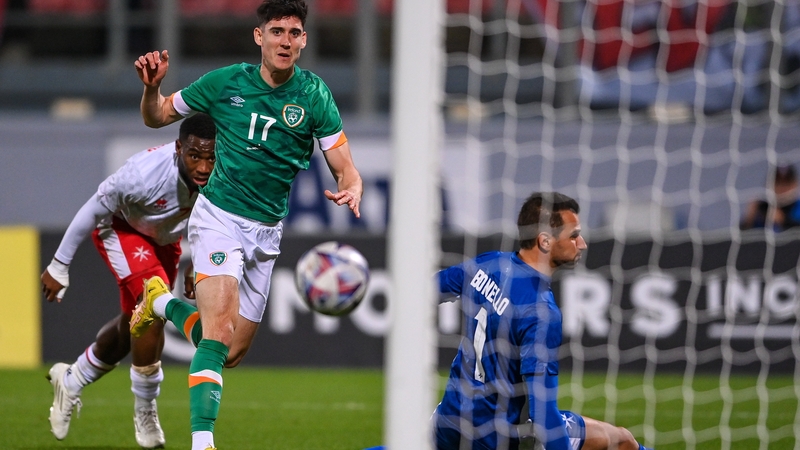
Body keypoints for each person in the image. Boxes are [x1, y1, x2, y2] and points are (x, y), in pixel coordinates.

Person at [129, 1, 363, 449]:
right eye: (276, 31)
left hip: (267, 231)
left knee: (229, 352)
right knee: (217, 333)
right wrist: (151, 89)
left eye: (294, 33)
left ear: (304, 41)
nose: (285, 41)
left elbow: (345, 168)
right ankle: (202, 442)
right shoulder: (224, 83)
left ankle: (159, 303)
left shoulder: (314, 96)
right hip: (219, 217)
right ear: (260, 37)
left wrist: (352, 188)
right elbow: (157, 116)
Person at [41, 113, 216, 448]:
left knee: (133, 324)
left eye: (211, 157)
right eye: (195, 156)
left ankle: (72, 378)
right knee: (153, 308)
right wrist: (59, 264)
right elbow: (92, 209)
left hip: (165, 239)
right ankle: (146, 408)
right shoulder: (142, 175)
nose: (204, 167)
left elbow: (209, 218)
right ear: (179, 148)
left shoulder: (221, 171)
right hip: (120, 229)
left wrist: (199, 262)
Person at [432, 192, 653, 450]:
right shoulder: (540, 310)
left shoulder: (489, 263)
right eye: (573, 236)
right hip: (495, 439)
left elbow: (428, 288)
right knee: (622, 441)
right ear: (545, 241)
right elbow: (544, 417)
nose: (582, 244)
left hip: (449, 421)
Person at [740, 164, 800, 231]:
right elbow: (740, 236)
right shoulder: (761, 208)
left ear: (795, 184)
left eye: (787, 183)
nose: (782, 188)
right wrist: (748, 221)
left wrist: (784, 221)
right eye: (777, 183)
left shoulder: (798, 207)